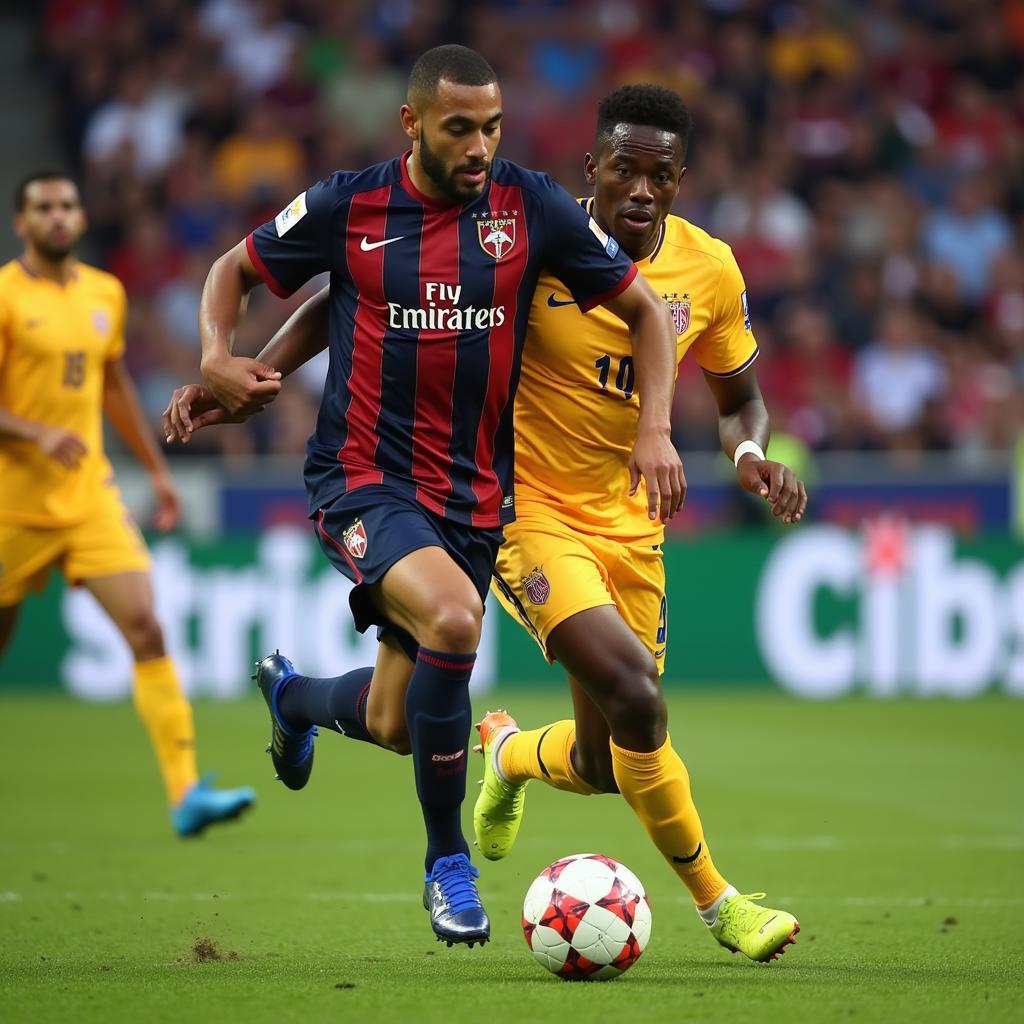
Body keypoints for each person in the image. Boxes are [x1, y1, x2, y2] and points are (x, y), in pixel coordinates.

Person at [170, 45, 684, 949]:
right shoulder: (350, 203)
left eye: (492, 126)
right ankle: (447, 863)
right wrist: (221, 359)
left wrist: (655, 428)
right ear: (412, 124)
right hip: (362, 478)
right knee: (453, 621)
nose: (480, 145)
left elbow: (645, 311)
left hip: (474, 498)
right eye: (459, 128)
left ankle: (292, 701)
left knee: (398, 724)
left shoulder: (532, 208)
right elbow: (236, 273)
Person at [0, 171, 254, 837]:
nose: (57, 217)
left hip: (88, 499)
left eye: (66, 206)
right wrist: (33, 431)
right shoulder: (4, 295)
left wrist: (156, 472)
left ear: (81, 218)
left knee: (146, 625)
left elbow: (113, 388)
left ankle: (185, 791)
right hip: (11, 507)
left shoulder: (104, 293)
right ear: (22, 224)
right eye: (43, 209)